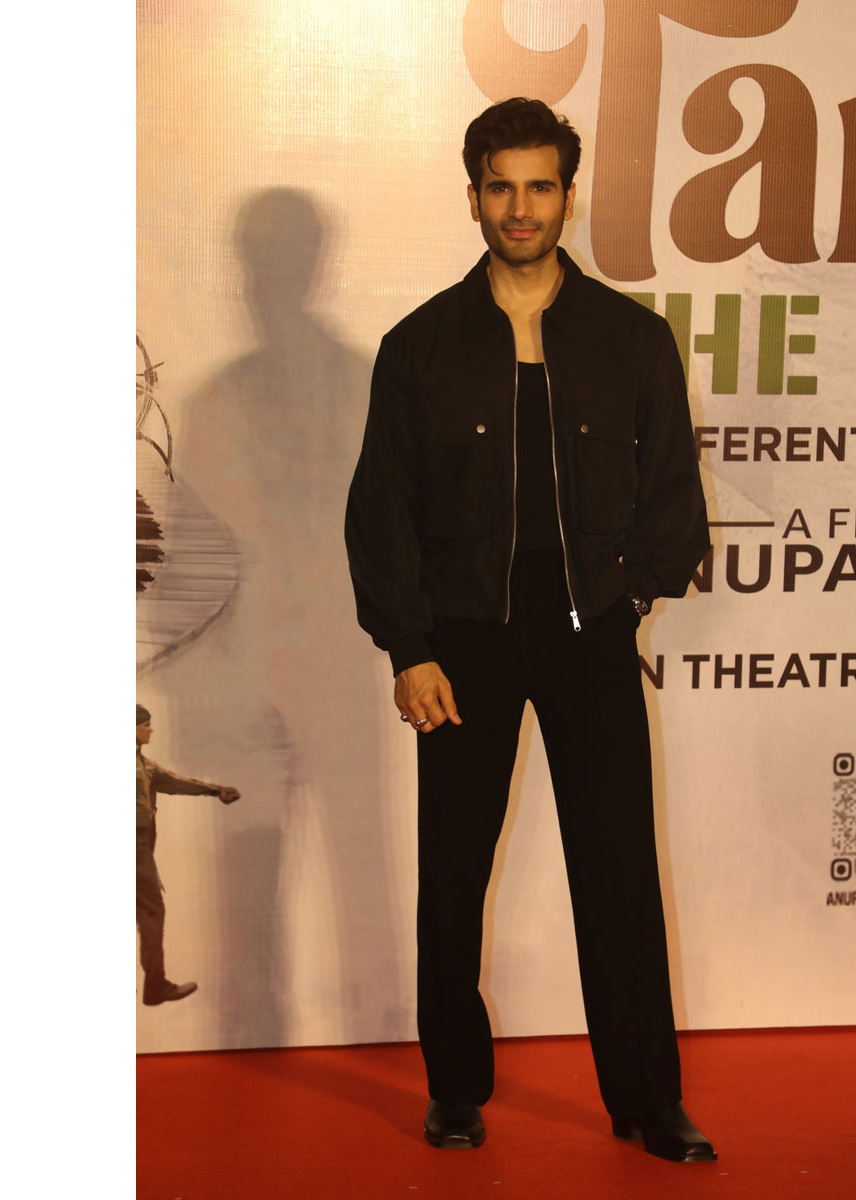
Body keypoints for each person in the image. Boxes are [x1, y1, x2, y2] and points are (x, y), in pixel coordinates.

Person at [344, 97, 714, 1162]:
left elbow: (674, 501)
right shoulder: (418, 347)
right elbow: (381, 513)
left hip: (589, 633)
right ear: (472, 197)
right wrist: (410, 648)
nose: (520, 207)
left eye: (539, 186)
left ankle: (648, 1100)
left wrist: (624, 600)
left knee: (618, 873)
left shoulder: (632, 340)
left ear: (566, 196)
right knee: (453, 872)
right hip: (461, 642)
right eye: (500, 186)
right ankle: (454, 1089)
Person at [136, 703, 241, 1006]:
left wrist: (215, 790)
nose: (151, 730)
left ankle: (155, 985)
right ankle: (155, 986)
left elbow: (175, 782)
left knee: (148, 914)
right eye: (145, 725)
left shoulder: (144, 766)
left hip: (140, 851)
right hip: (135, 852)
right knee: (152, 914)